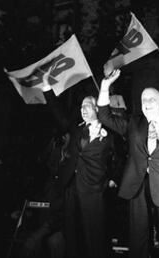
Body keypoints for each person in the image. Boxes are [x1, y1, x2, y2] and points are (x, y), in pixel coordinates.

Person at [97, 70, 159, 258]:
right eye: (144, 100)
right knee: (138, 237)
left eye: (151, 99)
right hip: (137, 185)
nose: (147, 103)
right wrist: (105, 87)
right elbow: (105, 116)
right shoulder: (132, 123)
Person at [42, 80, 114, 258]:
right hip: (70, 188)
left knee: (93, 235)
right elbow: (57, 112)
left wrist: (111, 180)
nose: (83, 109)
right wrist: (46, 87)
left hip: (92, 190)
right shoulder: (76, 129)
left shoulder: (109, 132)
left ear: (97, 109)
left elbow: (116, 159)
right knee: (71, 234)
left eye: (88, 105)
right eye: (82, 106)